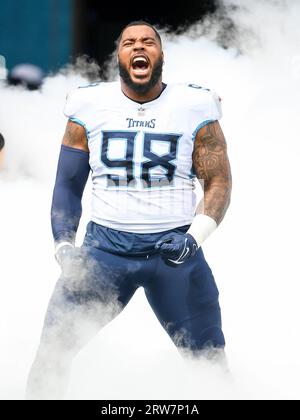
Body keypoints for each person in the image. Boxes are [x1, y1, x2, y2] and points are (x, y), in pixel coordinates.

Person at [26, 21, 232, 399]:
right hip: (104, 252)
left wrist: (194, 237)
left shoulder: (194, 105)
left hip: (174, 254)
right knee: (52, 353)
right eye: (129, 42)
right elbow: (69, 185)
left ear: (161, 55)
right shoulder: (89, 105)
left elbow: (218, 181)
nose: (139, 47)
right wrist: (63, 245)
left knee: (210, 363)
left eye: (149, 42)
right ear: (118, 55)